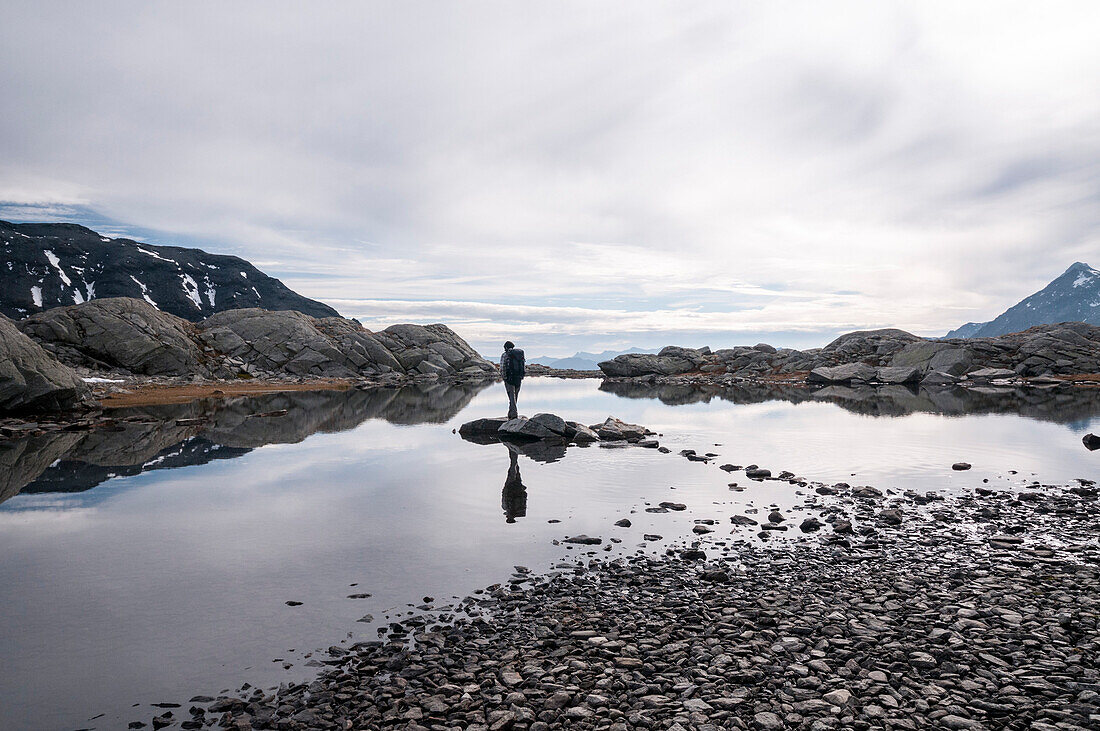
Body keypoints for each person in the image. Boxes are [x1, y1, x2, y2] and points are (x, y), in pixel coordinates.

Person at [500, 340, 525, 419]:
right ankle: (511, 412)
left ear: (506, 347)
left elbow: (502, 367)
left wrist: (504, 377)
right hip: (518, 377)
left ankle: (513, 414)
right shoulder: (519, 354)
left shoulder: (505, 355)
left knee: (511, 396)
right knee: (515, 396)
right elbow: (523, 365)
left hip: (509, 378)